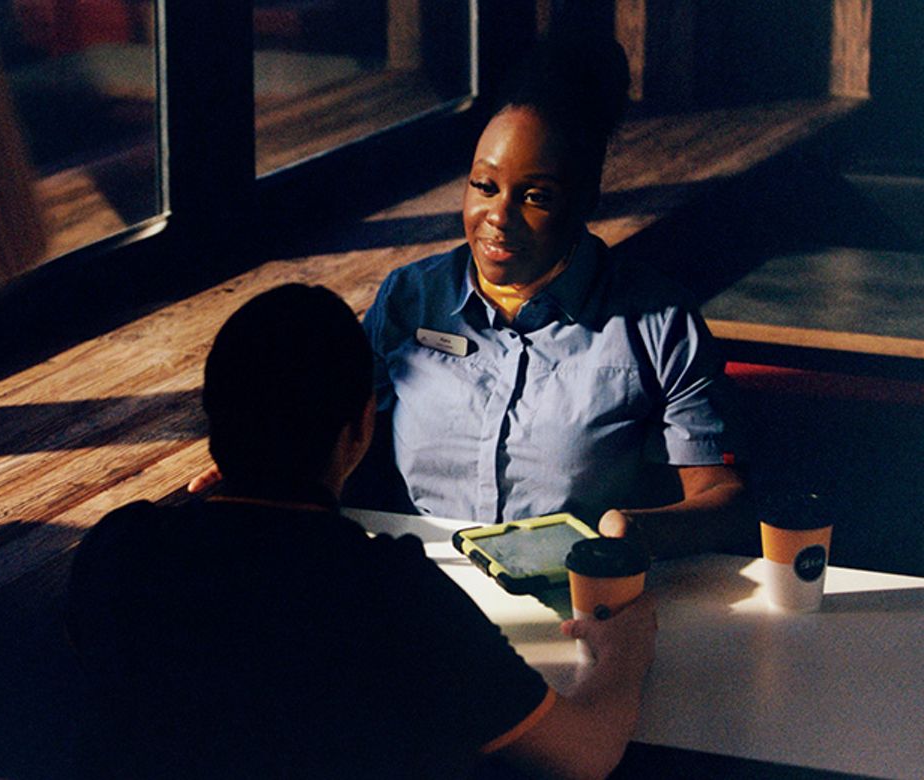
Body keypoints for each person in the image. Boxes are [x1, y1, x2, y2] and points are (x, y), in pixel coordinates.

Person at [191, 34, 746, 558]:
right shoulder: (410, 298)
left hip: (579, 589)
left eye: (535, 196)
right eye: (484, 186)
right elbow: (342, 430)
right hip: (420, 582)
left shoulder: (658, 323)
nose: (498, 218)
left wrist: (634, 534)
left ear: (585, 199)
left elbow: (723, 498)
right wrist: (268, 474)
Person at [69, 284, 656, 778]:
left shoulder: (121, 548)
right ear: (360, 429)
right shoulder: (393, 594)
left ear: (212, 417)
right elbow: (584, 755)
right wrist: (625, 652)